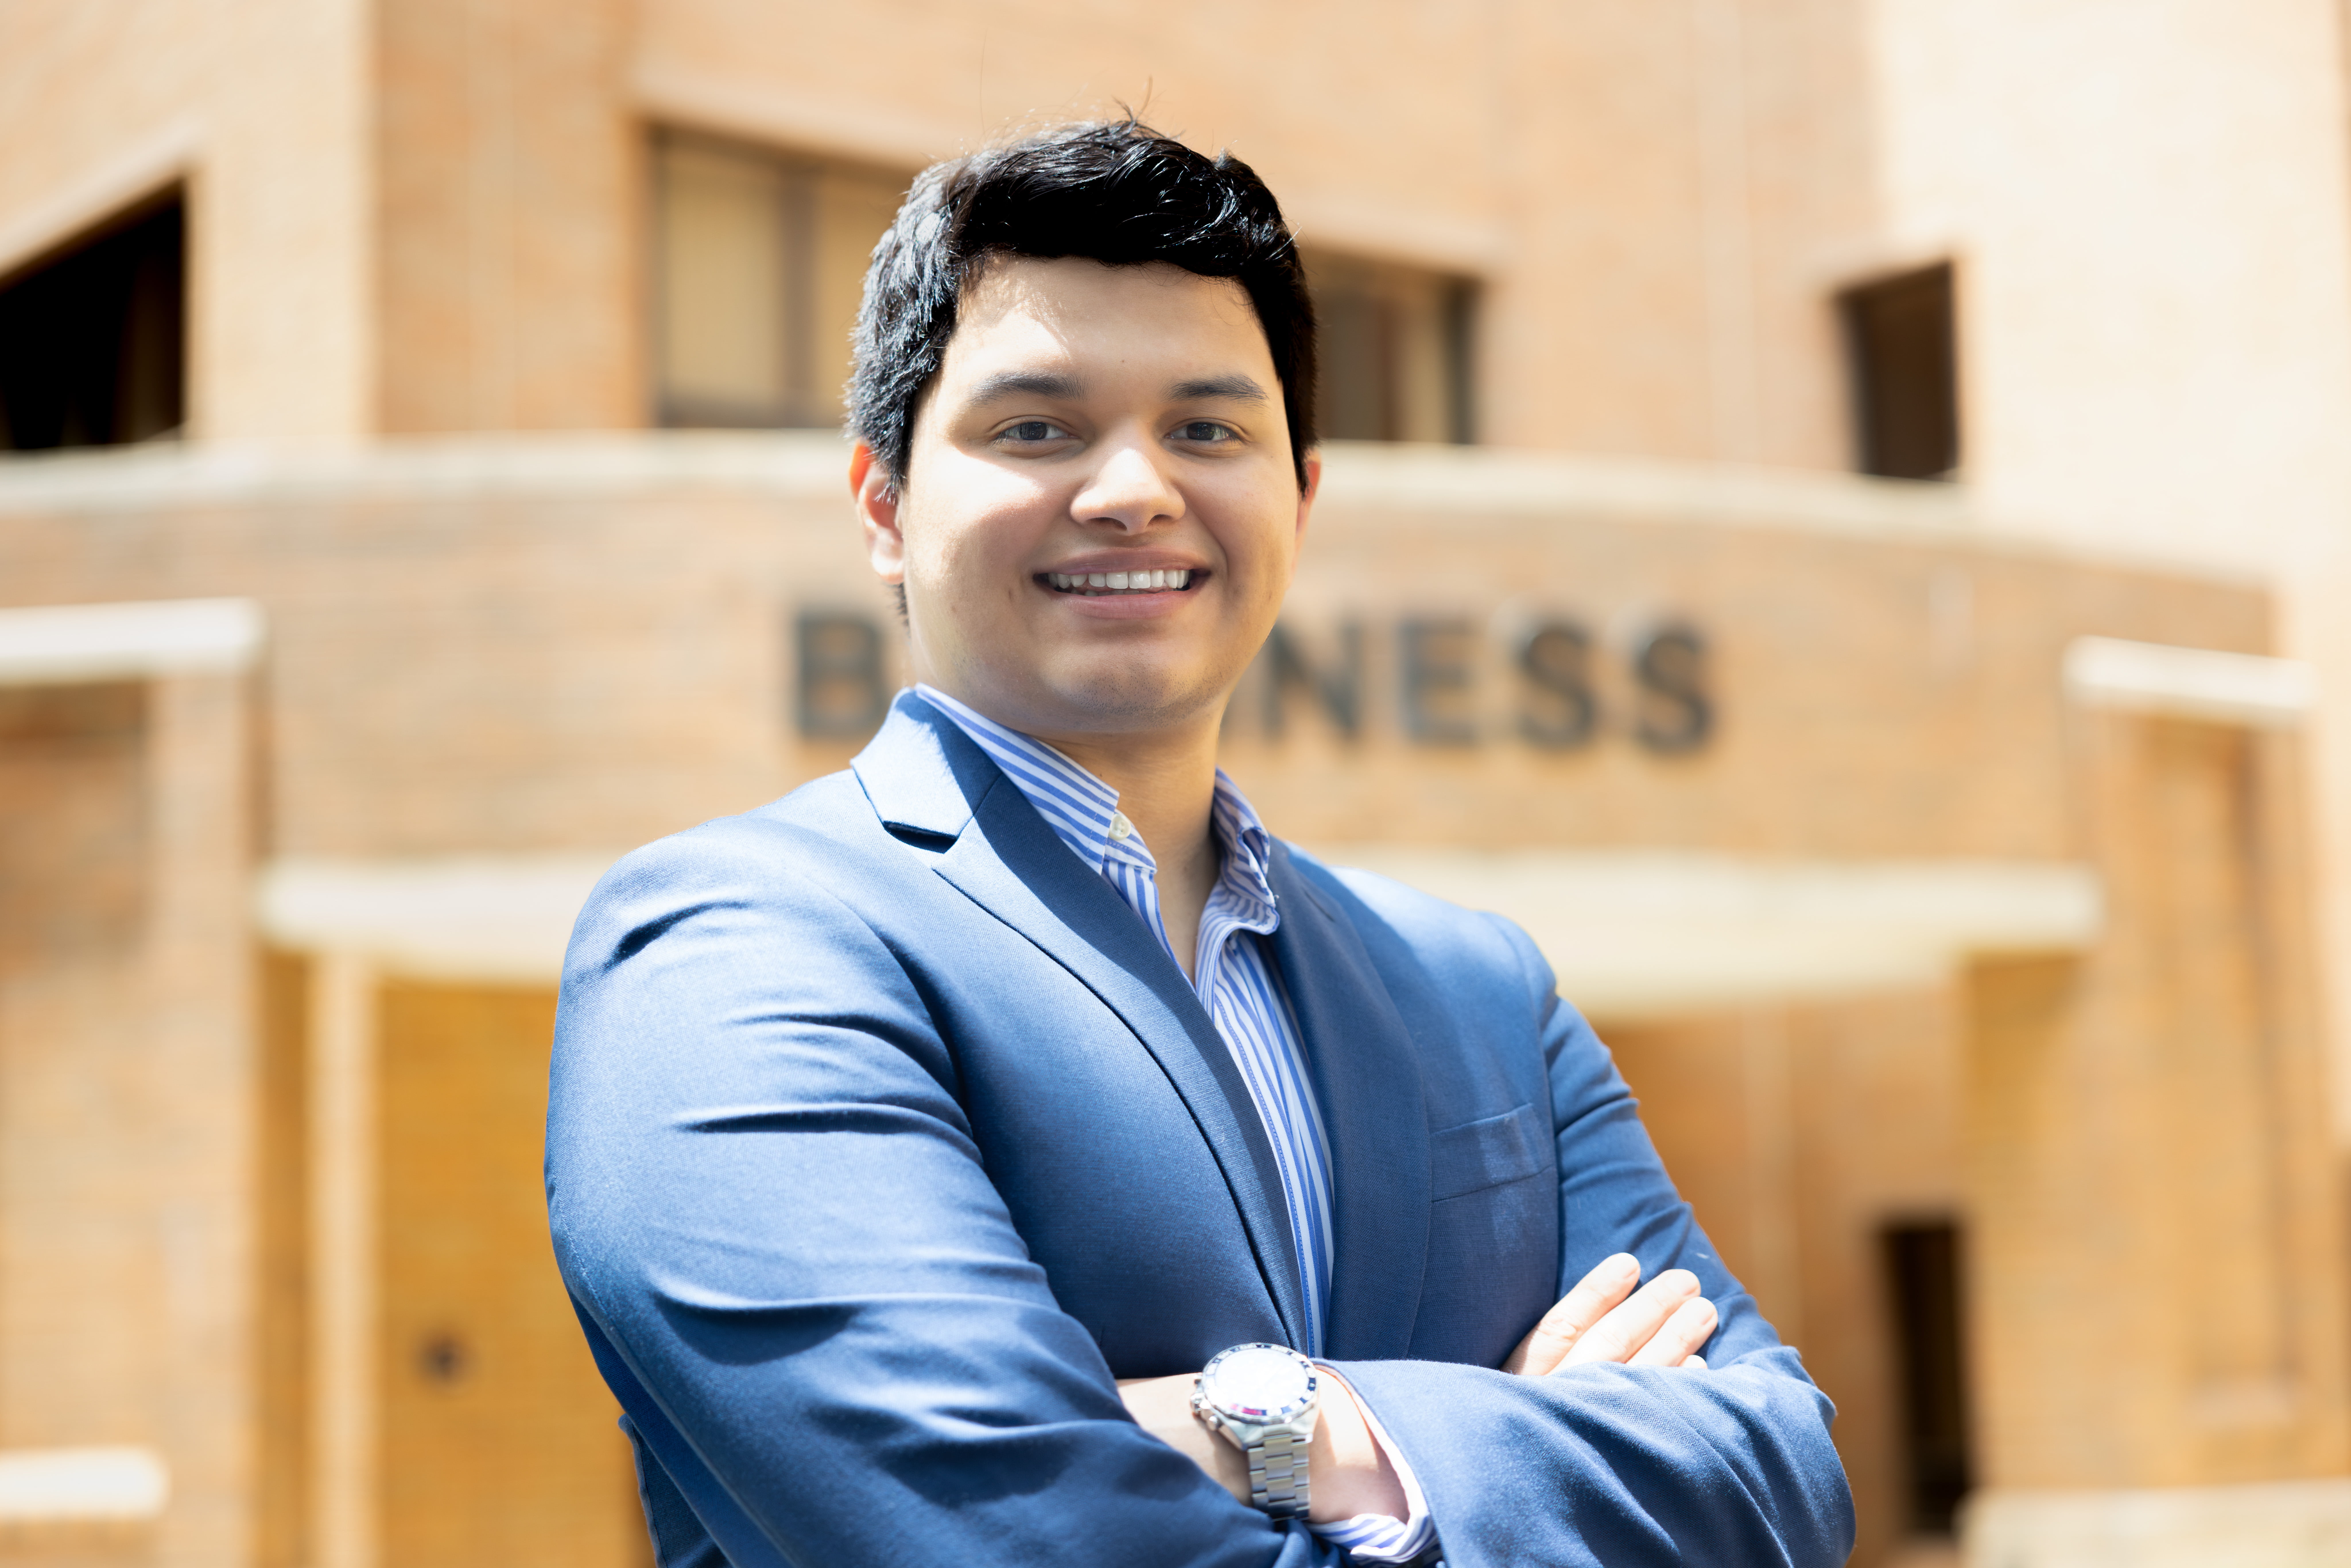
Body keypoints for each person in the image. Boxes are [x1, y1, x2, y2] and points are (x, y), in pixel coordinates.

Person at [547, 119, 1855, 1568]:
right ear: (882, 504)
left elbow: (1775, 1476)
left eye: (1207, 428)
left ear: (1299, 496)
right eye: (1035, 426)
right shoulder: (730, 949)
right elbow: (1014, 1535)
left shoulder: (1481, 991)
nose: (1132, 490)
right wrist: (1492, 1438)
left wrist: (1271, 1418)